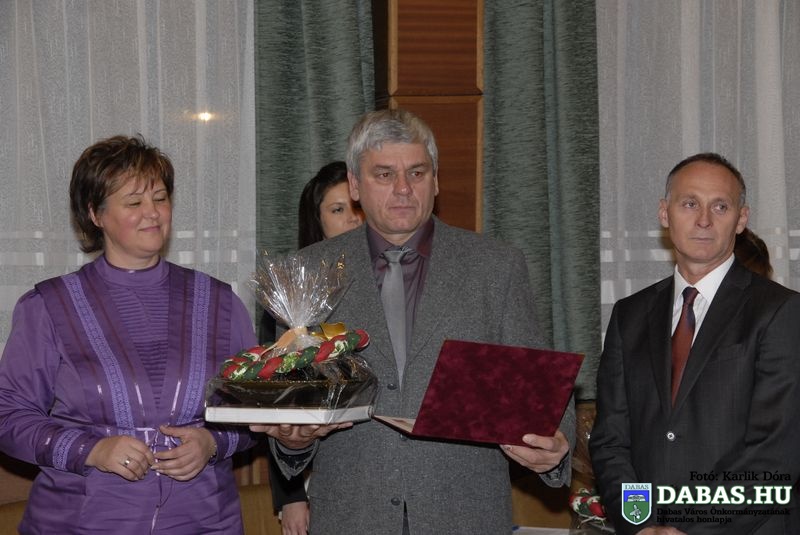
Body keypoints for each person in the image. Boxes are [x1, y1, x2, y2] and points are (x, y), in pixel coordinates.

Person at [252, 108, 576, 534]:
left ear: (435, 181)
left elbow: (537, 384)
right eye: (384, 174)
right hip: (352, 517)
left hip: (466, 518)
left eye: (417, 173)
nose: (403, 188)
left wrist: (556, 444)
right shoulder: (307, 273)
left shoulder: (496, 267)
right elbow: (291, 415)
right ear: (355, 184)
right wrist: (291, 440)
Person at [0, 135, 259, 534]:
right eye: (134, 202)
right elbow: (8, 416)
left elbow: (256, 411)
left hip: (205, 520)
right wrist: (92, 450)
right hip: (80, 522)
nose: (152, 212)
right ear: (95, 214)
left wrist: (213, 443)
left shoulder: (220, 302)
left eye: (160, 198)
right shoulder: (48, 306)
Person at [590, 152, 800, 534]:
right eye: (690, 204)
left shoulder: (780, 311)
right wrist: (641, 524)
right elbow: (612, 441)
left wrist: (691, 529)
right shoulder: (629, 315)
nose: (704, 219)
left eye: (720, 206)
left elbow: (775, 453)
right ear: (664, 213)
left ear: (741, 219)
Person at [261, 161, 363, 535]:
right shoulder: (291, 297)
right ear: (316, 222)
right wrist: (291, 497)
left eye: (357, 207)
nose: (353, 219)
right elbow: (276, 401)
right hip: (318, 473)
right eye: (338, 210)